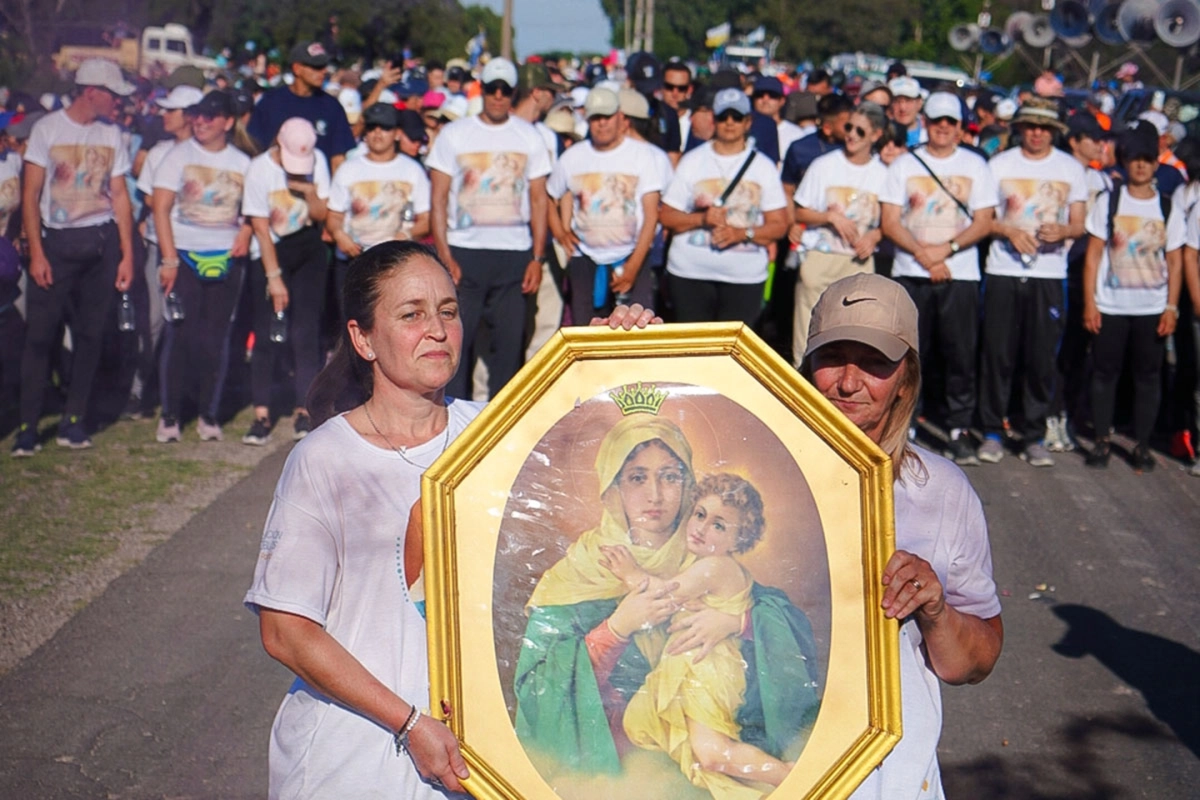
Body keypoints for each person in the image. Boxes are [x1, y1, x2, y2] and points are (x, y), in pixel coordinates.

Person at [245, 240, 658, 798]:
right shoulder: (325, 459)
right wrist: (409, 723)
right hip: (353, 764)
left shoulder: (495, 434)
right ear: (363, 339)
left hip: (474, 769)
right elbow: (285, 633)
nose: (437, 330)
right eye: (411, 315)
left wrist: (627, 348)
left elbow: (604, 444)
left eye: (447, 311)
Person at [513, 413, 821, 778]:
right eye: (637, 477)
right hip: (616, 766)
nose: (655, 495)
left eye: (670, 477)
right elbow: (536, 690)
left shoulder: (709, 556)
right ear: (614, 487)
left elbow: (791, 629)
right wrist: (615, 629)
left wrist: (738, 622)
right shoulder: (579, 571)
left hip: (708, 740)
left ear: (688, 485)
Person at [799, 271, 1003, 798]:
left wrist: (936, 611)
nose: (848, 382)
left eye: (873, 362)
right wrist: (622, 351)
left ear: (906, 380)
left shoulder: (942, 490)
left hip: (893, 781)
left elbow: (973, 662)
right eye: (832, 357)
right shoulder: (751, 475)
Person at [610, 473, 794, 797]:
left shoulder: (715, 567)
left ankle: (790, 777)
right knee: (690, 745)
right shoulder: (707, 565)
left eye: (718, 525)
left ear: (737, 540)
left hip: (709, 669)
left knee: (712, 754)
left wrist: (631, 574)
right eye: (700, 514)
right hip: (696, 665)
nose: (701, 527)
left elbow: (665, 594)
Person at [13, 58, 136, 455]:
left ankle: (74, 420)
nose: (118, 103)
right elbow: (31, 194)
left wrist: (126, 255)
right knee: (39, 337)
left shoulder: (112, 133)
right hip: (56, 246)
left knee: (91, 336)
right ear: (92, 92)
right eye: (113, 95)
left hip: (100, 244)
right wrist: (37, 253)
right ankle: (28, 426)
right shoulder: (47, 129)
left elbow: (120, 195)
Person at [880, 91, 997, 465]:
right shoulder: (904, 165)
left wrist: (945, 250)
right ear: (925, 123)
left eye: (950, 122)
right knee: (911, 355)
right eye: (936, 121)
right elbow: (890, 221)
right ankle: (906, 427)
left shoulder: (976, 165)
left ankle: (958, 429)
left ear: (961, 127)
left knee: (959, 355)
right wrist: (923, 255)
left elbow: (984, 221)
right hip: (911, 272)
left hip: (958, 275)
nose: (943, 128)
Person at [425, 56, 552, 400]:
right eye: (492, 88)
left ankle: (501, 421)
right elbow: (438, 198)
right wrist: (444, 254)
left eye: (505, 90)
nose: (498, 96)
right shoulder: (454, 135)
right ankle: (453, 417)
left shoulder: (529, 137)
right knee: (456, 344)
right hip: (464, 254)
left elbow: (539, 200)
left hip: (514, 254)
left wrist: (537, 258)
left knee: (509, 348)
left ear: (514, 93)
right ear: (481, 89)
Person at [977, 97, 1087, 468]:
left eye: (1044, 128)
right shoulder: (999, 164)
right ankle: (992, 431)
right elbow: (984, 219)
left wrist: (1063, 231)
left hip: (1049, 274)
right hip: (1003, 270)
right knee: (998, 355)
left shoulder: (1070, 168)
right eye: (1031, 126)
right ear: (1020, 128)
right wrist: (1008, 230)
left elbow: (1080, 224)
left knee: (1041, 358)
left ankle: (1034, 435)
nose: (1037, 133)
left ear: (1054, 132)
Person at [1082, 120, 1185, 470]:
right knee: (1104, 373)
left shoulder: (1167, 207)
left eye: (1148, 158)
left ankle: (1142, 444)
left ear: (1157, 163)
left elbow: (1175, 261)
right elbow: (1093, 256)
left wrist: (1171, 307)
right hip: (1110, 306)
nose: (1141, 165)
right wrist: (1090, 303)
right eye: (1135, 158)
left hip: (1152, 308)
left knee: (1148, 377)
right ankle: (1101, 440)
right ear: (1125, 161)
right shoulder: (1109, 201)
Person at [151, 90, 252, 443]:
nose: (201, 122)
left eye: (211, 116)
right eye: (197, 115)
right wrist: (168, 259)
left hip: (226, 259)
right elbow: (160, 209)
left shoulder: (243, 163)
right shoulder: (178, 156)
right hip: (183, 257)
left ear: (228, 122)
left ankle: (208, 413)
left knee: (215, 339)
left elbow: (253, 211)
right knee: (180, 335)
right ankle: (171, 415)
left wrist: (246, 233)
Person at [660, 88, 789, 324]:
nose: (730, 122)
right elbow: (667, 215)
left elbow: (779, 225)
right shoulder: (692, 161)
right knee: (694, 343)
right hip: (690, 274)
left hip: (744, 277)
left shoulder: (764, 167)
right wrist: (701, 219)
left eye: (737, 117)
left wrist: (742, 233)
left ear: (748, 122)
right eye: (723, 116)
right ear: (713, 119)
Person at [241, 117, 331, 444]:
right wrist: (274, 277)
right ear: (279, 143)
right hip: (270, 251)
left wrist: (309, 191)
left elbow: (321, 216)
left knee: (306, 332)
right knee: (267, 333)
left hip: (307, 249)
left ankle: (304, 408)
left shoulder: (317, 161)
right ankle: (262, 414)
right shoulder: (258, 169)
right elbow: (260, 228)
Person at [547, 87, 663, 323]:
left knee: (637, 326)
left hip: (631, 254)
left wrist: (633, 266)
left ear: (620, 117)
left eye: (607, 117)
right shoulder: (572, 157)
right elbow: (550, 196)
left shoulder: (642, 155)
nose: (602, 124)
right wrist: (560, 233)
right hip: (585, 258)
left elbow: (651, 215)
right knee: (585, 329)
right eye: (595, 118)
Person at [791, 101, 888, 363]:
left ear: (876, 135)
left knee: (853, 334)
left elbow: (889, 222)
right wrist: (830, 217)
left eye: (860, 131)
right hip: (820, 257)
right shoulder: (823, 165)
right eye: (848, 127)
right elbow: (799, 212)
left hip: (858, 261)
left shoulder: (883, 174)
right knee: (807, 335)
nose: (851, 135)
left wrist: (874, 236)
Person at [326, 102, 431, 319]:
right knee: (350, 321)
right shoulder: (348, 169)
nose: (377, 133)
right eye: (372, 127)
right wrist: (339, 234)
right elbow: (334, 215)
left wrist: (406, 234)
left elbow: (425, 220)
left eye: (384, 128)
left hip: (394, 262)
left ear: (397, 133)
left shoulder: (412, 171)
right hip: (353, 260)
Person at [247, 41, 355, 171]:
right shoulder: (270, 103)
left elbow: (338, 159)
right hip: (276, 181)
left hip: (318, 182)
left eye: (324, 66)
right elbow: (255, 150)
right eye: (317, 67)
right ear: (297, 68)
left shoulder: (332, 107)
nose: (324, 71)